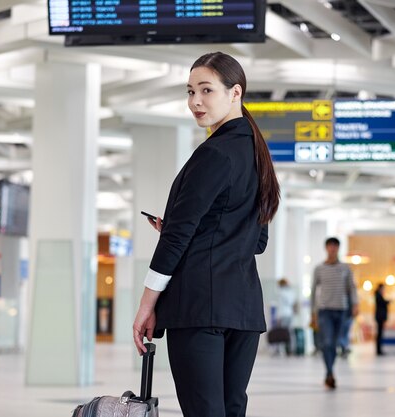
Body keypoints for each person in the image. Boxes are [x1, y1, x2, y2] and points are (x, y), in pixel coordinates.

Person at [132, 52, 280, 417]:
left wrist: (146, 305)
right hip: (242, 311)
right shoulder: (257, 155)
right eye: (190, 91)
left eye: (206, 90)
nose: (195, 101)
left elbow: (177, 238)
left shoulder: (213, 153)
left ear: (235, 93)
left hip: (199, 307)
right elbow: (256, 242)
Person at [310, 237, 358, 389]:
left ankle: (329, 372)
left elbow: (352, 288)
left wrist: (355, 304)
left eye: (335, 247)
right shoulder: (319, 268)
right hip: (324, 311)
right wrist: (313, 312)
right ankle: (329, 372)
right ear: (326, 248)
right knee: (327, 342)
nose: (332, 249)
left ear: (338, 248)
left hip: (341, 310)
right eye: (330, 246)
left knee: (335, 344)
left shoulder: (345, 268)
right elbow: (313, 291)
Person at [374, 284, 389, 356]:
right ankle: (378, 350)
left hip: (380, 317)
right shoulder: (378, 296)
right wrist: (388, 302)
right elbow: (382, 304)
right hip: (380, 317)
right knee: (379, 334)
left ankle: (379, 350)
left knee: (380, 334)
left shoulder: (378, 295)